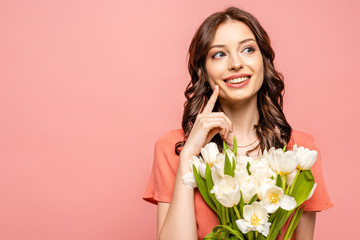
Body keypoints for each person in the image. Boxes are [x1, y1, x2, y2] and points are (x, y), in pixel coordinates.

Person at [143, 6, 333, 240]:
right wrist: (188, 158)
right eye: (219, 54)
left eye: (247, 49)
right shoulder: (174, 147)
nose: (236, 64)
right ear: (203, 70)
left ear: (263, 61)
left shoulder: (300, 151)